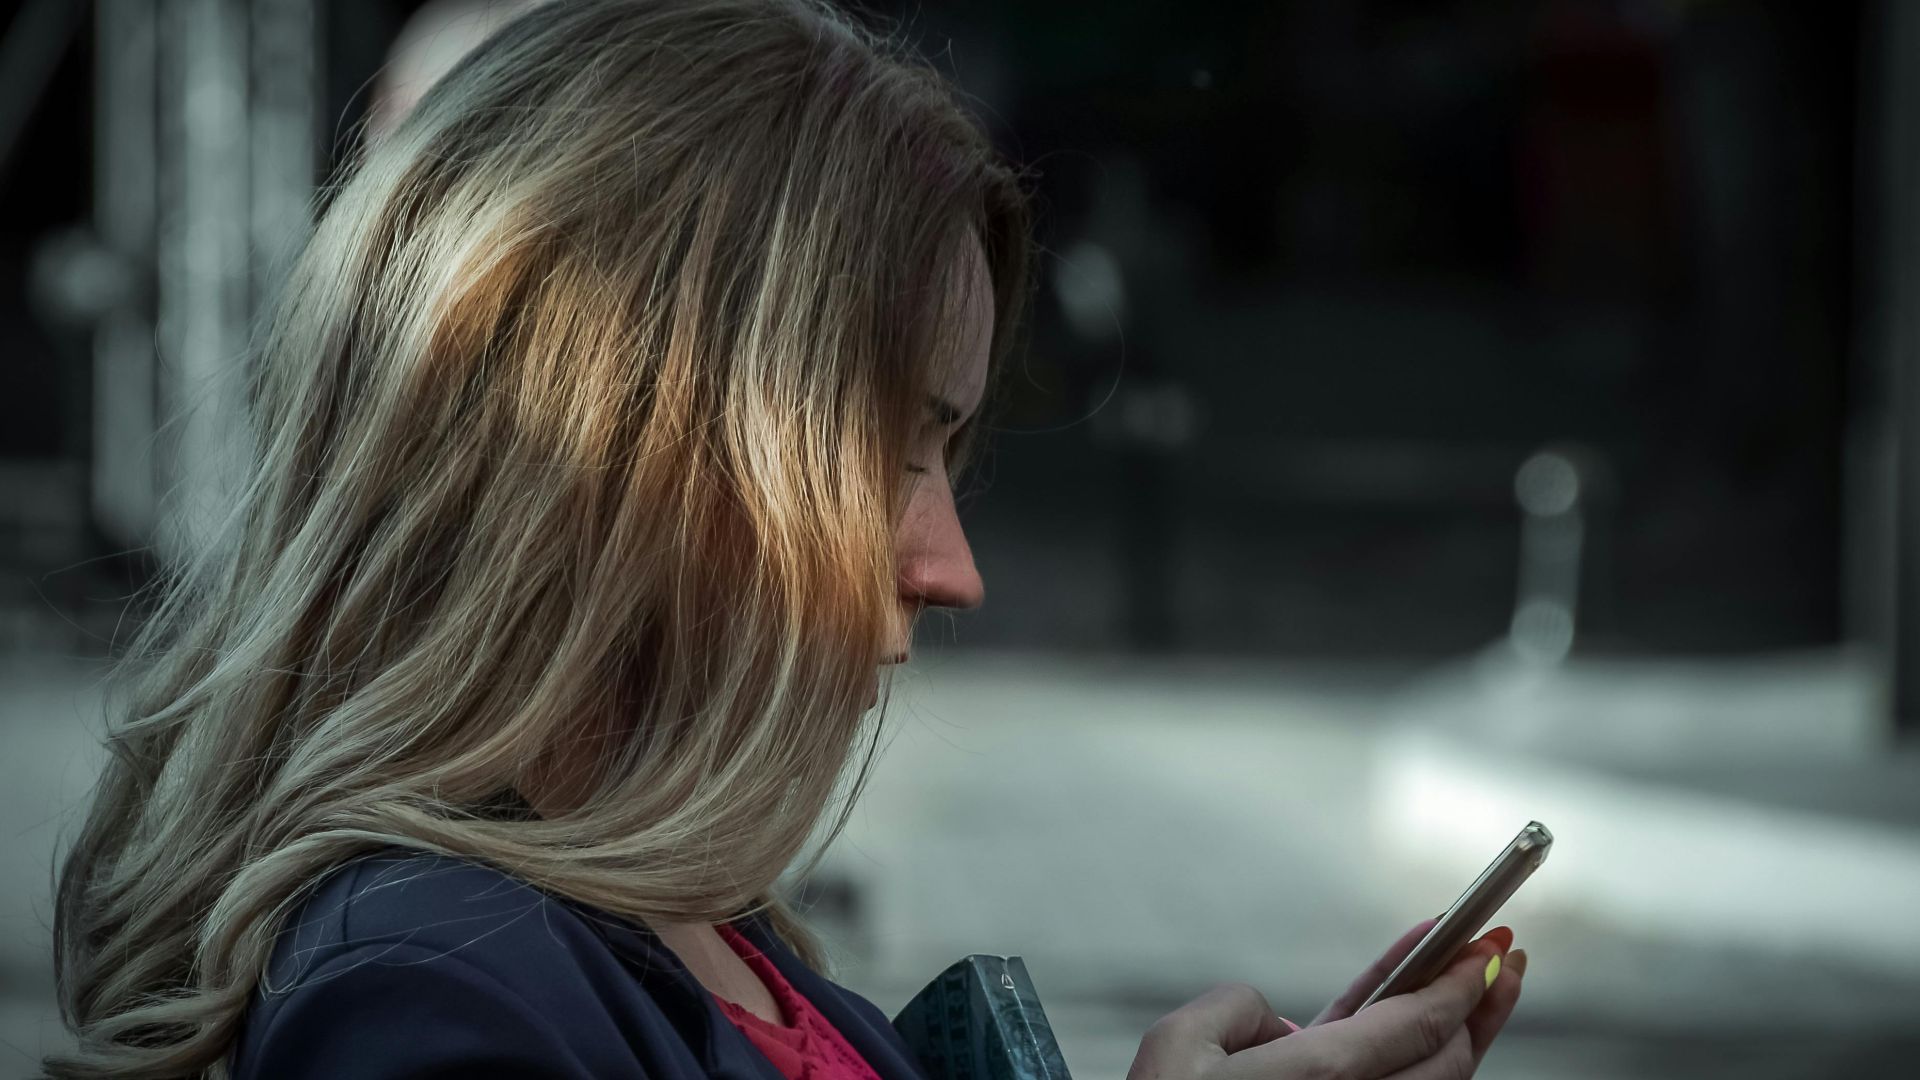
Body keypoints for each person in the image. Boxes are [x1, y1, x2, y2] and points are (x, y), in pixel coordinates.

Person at [46, 1, 1528, 1078]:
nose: (953, 569)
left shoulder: (665, 918)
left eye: (946, 455)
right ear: (617, 462)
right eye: (883, 454)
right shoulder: (435, 992)